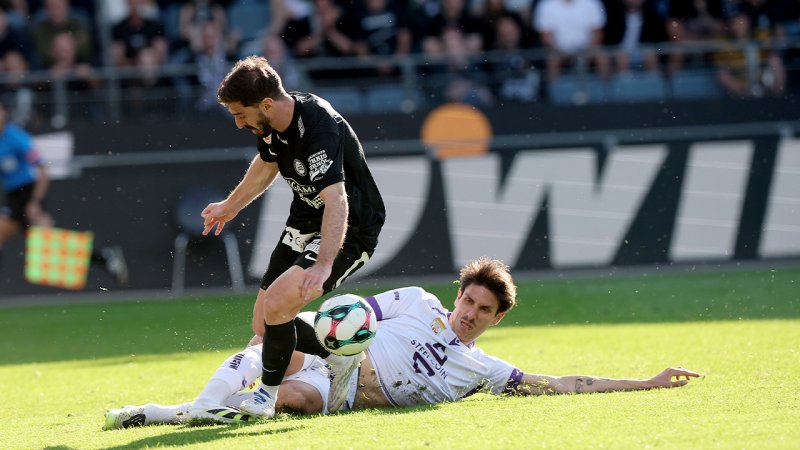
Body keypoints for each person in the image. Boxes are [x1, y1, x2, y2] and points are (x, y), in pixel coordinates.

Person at [103, 257, 701, 428]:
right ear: (458, 294)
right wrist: (314, 326)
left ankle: (161, 415)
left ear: (496, 320)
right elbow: (354, 312)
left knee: (291, 400)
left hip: (345, 396)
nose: (469, 313)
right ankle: (184, 405)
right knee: (270, 347)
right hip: (339, 353)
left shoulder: (481, 369)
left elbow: (560, 383)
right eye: (468, 300)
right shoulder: (417, 301)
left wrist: (645, 383)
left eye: (482, 310)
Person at [200, 55, 386, 418]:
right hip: (304, 223)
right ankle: (338, 352)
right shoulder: (270, 124)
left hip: (350, 228)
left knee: (279, 306)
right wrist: (231, 205)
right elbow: (267, 164)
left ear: (266, 104)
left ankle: (265, 396)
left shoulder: (318, 127)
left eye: (240, 114)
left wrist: (323, 264)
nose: (238, 124)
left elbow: (338, 201)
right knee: (262, 324)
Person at [0, 100, 128, 285]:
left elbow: (43, 172)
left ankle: (104, 258)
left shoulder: (17, 138)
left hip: (28, 194)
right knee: (46, 243)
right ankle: (104, 259)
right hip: (13, 197)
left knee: (52, 245)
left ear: (5, 113)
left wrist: (35, 202)